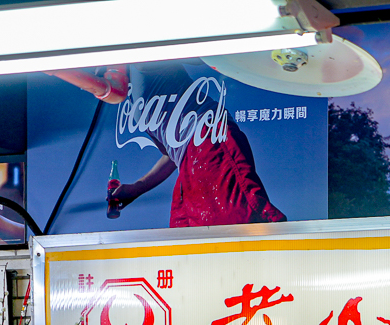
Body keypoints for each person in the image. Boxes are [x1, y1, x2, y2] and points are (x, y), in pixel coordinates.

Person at [52, 64, 286, 227]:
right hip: (189, 159)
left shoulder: (145, 58)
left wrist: (55, 67)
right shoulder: (137, 97)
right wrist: (137, 188)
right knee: (191, 241)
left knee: (236, 222)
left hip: (208, 138)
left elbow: (111, 90)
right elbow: (172, 154)